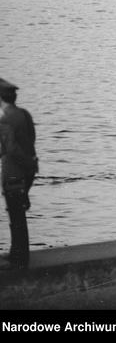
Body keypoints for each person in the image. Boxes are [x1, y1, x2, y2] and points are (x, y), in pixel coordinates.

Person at [0, 78, 37, 270]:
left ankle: (19, 258)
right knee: (18, 211)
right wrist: (30, 166)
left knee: (15, 215)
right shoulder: (24, 114)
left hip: (13, 172)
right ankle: (18, 254)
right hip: (26, 172)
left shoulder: (4, 118)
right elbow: (31, 139)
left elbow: (10, 149)